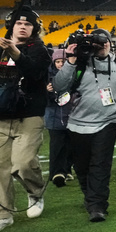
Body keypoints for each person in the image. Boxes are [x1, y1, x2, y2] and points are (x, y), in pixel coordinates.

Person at [53, 28, 116, 222]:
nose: (102, 46)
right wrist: (70, 60)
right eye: (98, 43)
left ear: (110, 43)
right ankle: (91, 197)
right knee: (82, 166)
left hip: (109, 121)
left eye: (105, 42)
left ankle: (97, 206)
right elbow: (59, 86)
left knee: (100, 164)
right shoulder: (78, 63)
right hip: (78, 123)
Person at [0, 8, 51, 232]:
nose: (23, 27)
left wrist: (14, 52)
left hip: (28, 114)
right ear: (11, 26)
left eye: (28, 24)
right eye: (19, 23)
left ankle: (35, 193)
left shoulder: (40, 51)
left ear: (34, 28)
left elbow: (34, 73)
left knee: (24, 162)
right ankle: (1, 215)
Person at [44, 49, 75, 187]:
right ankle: (56, 172)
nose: (60, 64)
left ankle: (67, 169)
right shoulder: (46, 75)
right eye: (57, 61)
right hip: (53, 114)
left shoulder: (73, 73)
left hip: (71, 113)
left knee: (70, 144)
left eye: (63, 61)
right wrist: (47, 90)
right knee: (56, 144)